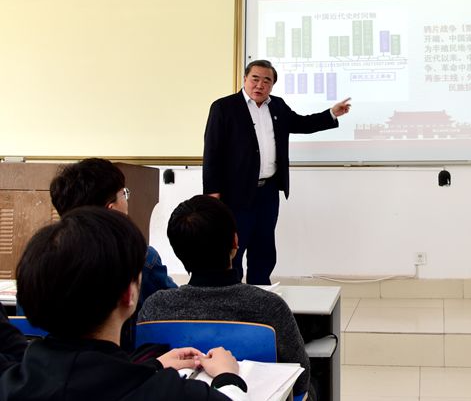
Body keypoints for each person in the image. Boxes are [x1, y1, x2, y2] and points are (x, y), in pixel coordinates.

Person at [0, 206, 248, 401]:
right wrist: (228, 377)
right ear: (128, 295)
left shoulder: (11, 382)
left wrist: (150, 366)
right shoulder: (168, 393)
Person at [140, 195, 315, 401]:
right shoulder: (268, 306)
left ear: (178, 252)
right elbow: (301, 381)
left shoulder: (155, 307)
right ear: (235, 241)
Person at [203, 59, 351, 284]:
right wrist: (212, 195)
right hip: (235, 194)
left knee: (263, 248)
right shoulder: (224, 107)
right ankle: (232, 294)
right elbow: (212, 152)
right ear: (245, 79)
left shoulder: (278, 106)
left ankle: (261, 293)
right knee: (233, 249)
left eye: (266, 81)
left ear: (272, 85)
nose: (260, 85)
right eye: (255, 79)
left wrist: (331, 113)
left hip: (268, 192)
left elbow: (302, 124)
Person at [49, 157, 177, 349]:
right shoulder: (139, 258)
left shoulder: (43, 259)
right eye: (124, 193)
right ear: (112, 209)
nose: (127, 200)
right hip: (124, 359)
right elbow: (174, 306)